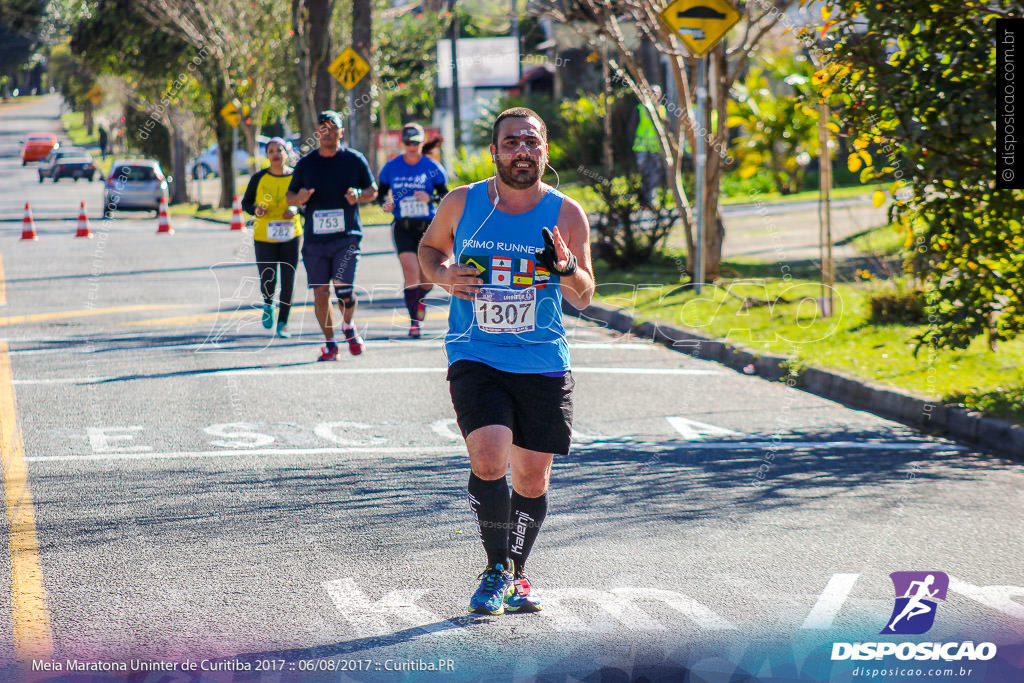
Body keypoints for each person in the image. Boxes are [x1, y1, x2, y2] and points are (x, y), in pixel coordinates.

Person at [419, 107, 594, 615]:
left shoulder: (566, 213)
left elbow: (584, 295)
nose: (523, 149)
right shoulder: (463, 202)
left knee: (532, 480)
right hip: (476, 350)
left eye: (532, 142)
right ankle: (496, 569)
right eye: (512, 141)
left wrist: (565, 268)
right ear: (494, 151)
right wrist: (445, 275)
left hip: (541, 357)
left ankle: (517, 573)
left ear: (544, 150)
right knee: (489, 455)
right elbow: (430, 250)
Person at [286, 110, 378, 361]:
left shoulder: (354, 160)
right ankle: (330, 343)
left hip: (346, 237)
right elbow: (289, 196)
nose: (327, 132)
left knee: (343, 289)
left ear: (341, 132)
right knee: (320, 293)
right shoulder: (306, 164)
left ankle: (348, 325)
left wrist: (359, 194)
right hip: (315, 240)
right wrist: (300, 197)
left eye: (332, 127)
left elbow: (373, 190)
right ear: (318, 133)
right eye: (322, 127)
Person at [378, 123, 449, 338]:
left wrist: (431, 198)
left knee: (427, 278)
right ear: (403, 143)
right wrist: (386, 203)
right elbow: (381, 194)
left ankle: (420, 300)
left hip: (427, 227)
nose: (412, 147)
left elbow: (446, 196)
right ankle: (413, 323)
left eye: (416, 143)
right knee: (410, 273)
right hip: (403, 226)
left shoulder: (432, 166)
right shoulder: (392, 166)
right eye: (408, 143)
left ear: (421, 142)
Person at [241, 137, 302, 338]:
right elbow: (246, 203)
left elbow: (305, 201)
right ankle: (268, 304)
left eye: (279, 150)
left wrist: (295, 209)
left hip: (290, 234)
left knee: (288, 279)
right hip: (264, 235)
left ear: (286, 154)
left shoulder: (297, 176)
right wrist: (255, 210)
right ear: (267, 156)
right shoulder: (258, 178)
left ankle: (283, 322)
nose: (275, 154)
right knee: (268, 277)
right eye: (271, 151)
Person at [630, 85, 667, 208]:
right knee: (646, 175)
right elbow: (631, 128)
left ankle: (650, 201)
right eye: (651, 93)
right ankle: (645, 201)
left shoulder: (662, 109)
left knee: (654, 175)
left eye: (656, 93)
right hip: (642, 149)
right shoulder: (640, 109)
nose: (654, 95)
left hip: (655, 149)